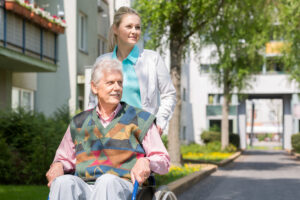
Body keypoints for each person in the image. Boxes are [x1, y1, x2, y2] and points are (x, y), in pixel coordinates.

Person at [46, 58, 170, 200]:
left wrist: (147, 161)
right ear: (94, 87)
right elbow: (63, 158)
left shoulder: (140, 119)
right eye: (110, 83)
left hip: (124, 187)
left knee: (106, 181)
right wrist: (58, 165)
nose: (117, 88)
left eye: (120, 83)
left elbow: (163, 160)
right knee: (63, 182)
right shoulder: (78, 122)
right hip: (85, 188)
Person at [88, 6, 176, 135]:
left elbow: (169, 95)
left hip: (142, 134)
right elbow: (93, 100)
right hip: (107, 135)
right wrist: (90, 128)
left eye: (137, 27)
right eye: (129, 26)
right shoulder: (102, 62)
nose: (134, 31)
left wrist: (159, 122)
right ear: (115, 29)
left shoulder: (152, 59)